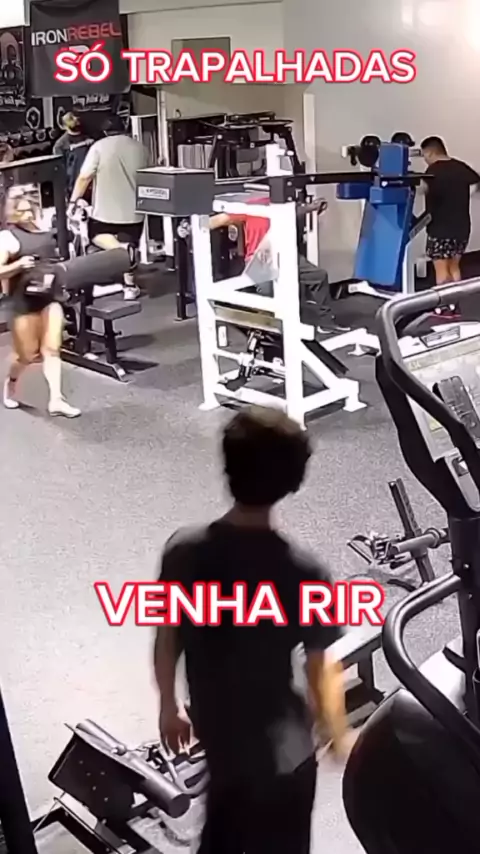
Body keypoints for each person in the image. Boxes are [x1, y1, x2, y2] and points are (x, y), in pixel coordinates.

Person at [154, 407, 355, 854]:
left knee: (222, 832)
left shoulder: (183, 551)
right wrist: (337, 731)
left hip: (222, 743)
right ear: (294, 482)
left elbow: (167, 637)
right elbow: (320, 669)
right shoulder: (303, 572)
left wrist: (169, 705)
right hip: (284, 758)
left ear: (228, 469)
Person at [209, 195, 349, 332]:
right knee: (271, 296)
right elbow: (219, 220)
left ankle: (325, 322)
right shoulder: (251, 205)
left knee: (319, 276)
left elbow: (296, 210)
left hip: (285, 254)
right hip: (260, 259)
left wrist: (312, 207)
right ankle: (270, 330)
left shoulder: (282, 201)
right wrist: (197, 225)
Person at [1, 187, 80, 417]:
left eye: (30, 210)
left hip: (48, 298)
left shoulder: (44, 229)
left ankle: (57, 399)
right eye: (21, 211)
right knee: (26, 355)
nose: (27, 215)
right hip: (23, 303)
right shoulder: (8, 238)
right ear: (13, 212)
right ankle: (11, 383)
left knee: (52, 349)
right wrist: (18, 265)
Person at [69, 114, 148, 300]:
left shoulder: (99, 147)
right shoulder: (141, 148)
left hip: (105, 211)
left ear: (104, 131)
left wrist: (73, 201)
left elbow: (84, 177)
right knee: (130, 241)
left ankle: (122, 250)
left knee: (95, 235)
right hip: (135, 211)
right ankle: (130, 287)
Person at [420, 136, 480, 317]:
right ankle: (455, 305)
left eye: (425, 155)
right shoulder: (461, 167)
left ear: (430, 152)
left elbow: (423, 189)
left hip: (440, 228)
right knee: (454, 267)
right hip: (462, 227)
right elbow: (477, 182)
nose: (425, 159)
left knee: (441, 269)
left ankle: (443, 307)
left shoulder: (433, 170)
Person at [53, 112, 94, 198]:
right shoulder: (60, 145)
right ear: (64, 126)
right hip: (73, 188)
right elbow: (60, 169)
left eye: (75, 118)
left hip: (91, 185)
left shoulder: (89, 139)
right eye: (71, 119)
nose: (75, 120)